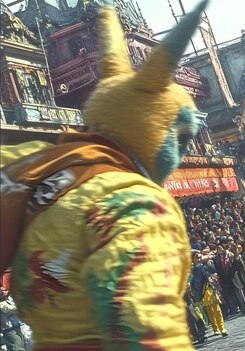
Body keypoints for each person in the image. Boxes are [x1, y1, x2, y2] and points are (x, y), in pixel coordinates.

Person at [0, 1, 209, 349]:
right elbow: (145, 327)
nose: (183, 152)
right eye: (181, 137)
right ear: (153, 128)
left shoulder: (37, 176)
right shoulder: (136, 203)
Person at [1, 286, 26, 351]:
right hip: (8, 329)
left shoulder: (9, 299)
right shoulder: (2, 304)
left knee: (21, 345)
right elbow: (9, 309)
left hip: (17, 326)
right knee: (18, 346)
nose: (6, 292)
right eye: (4, 291)